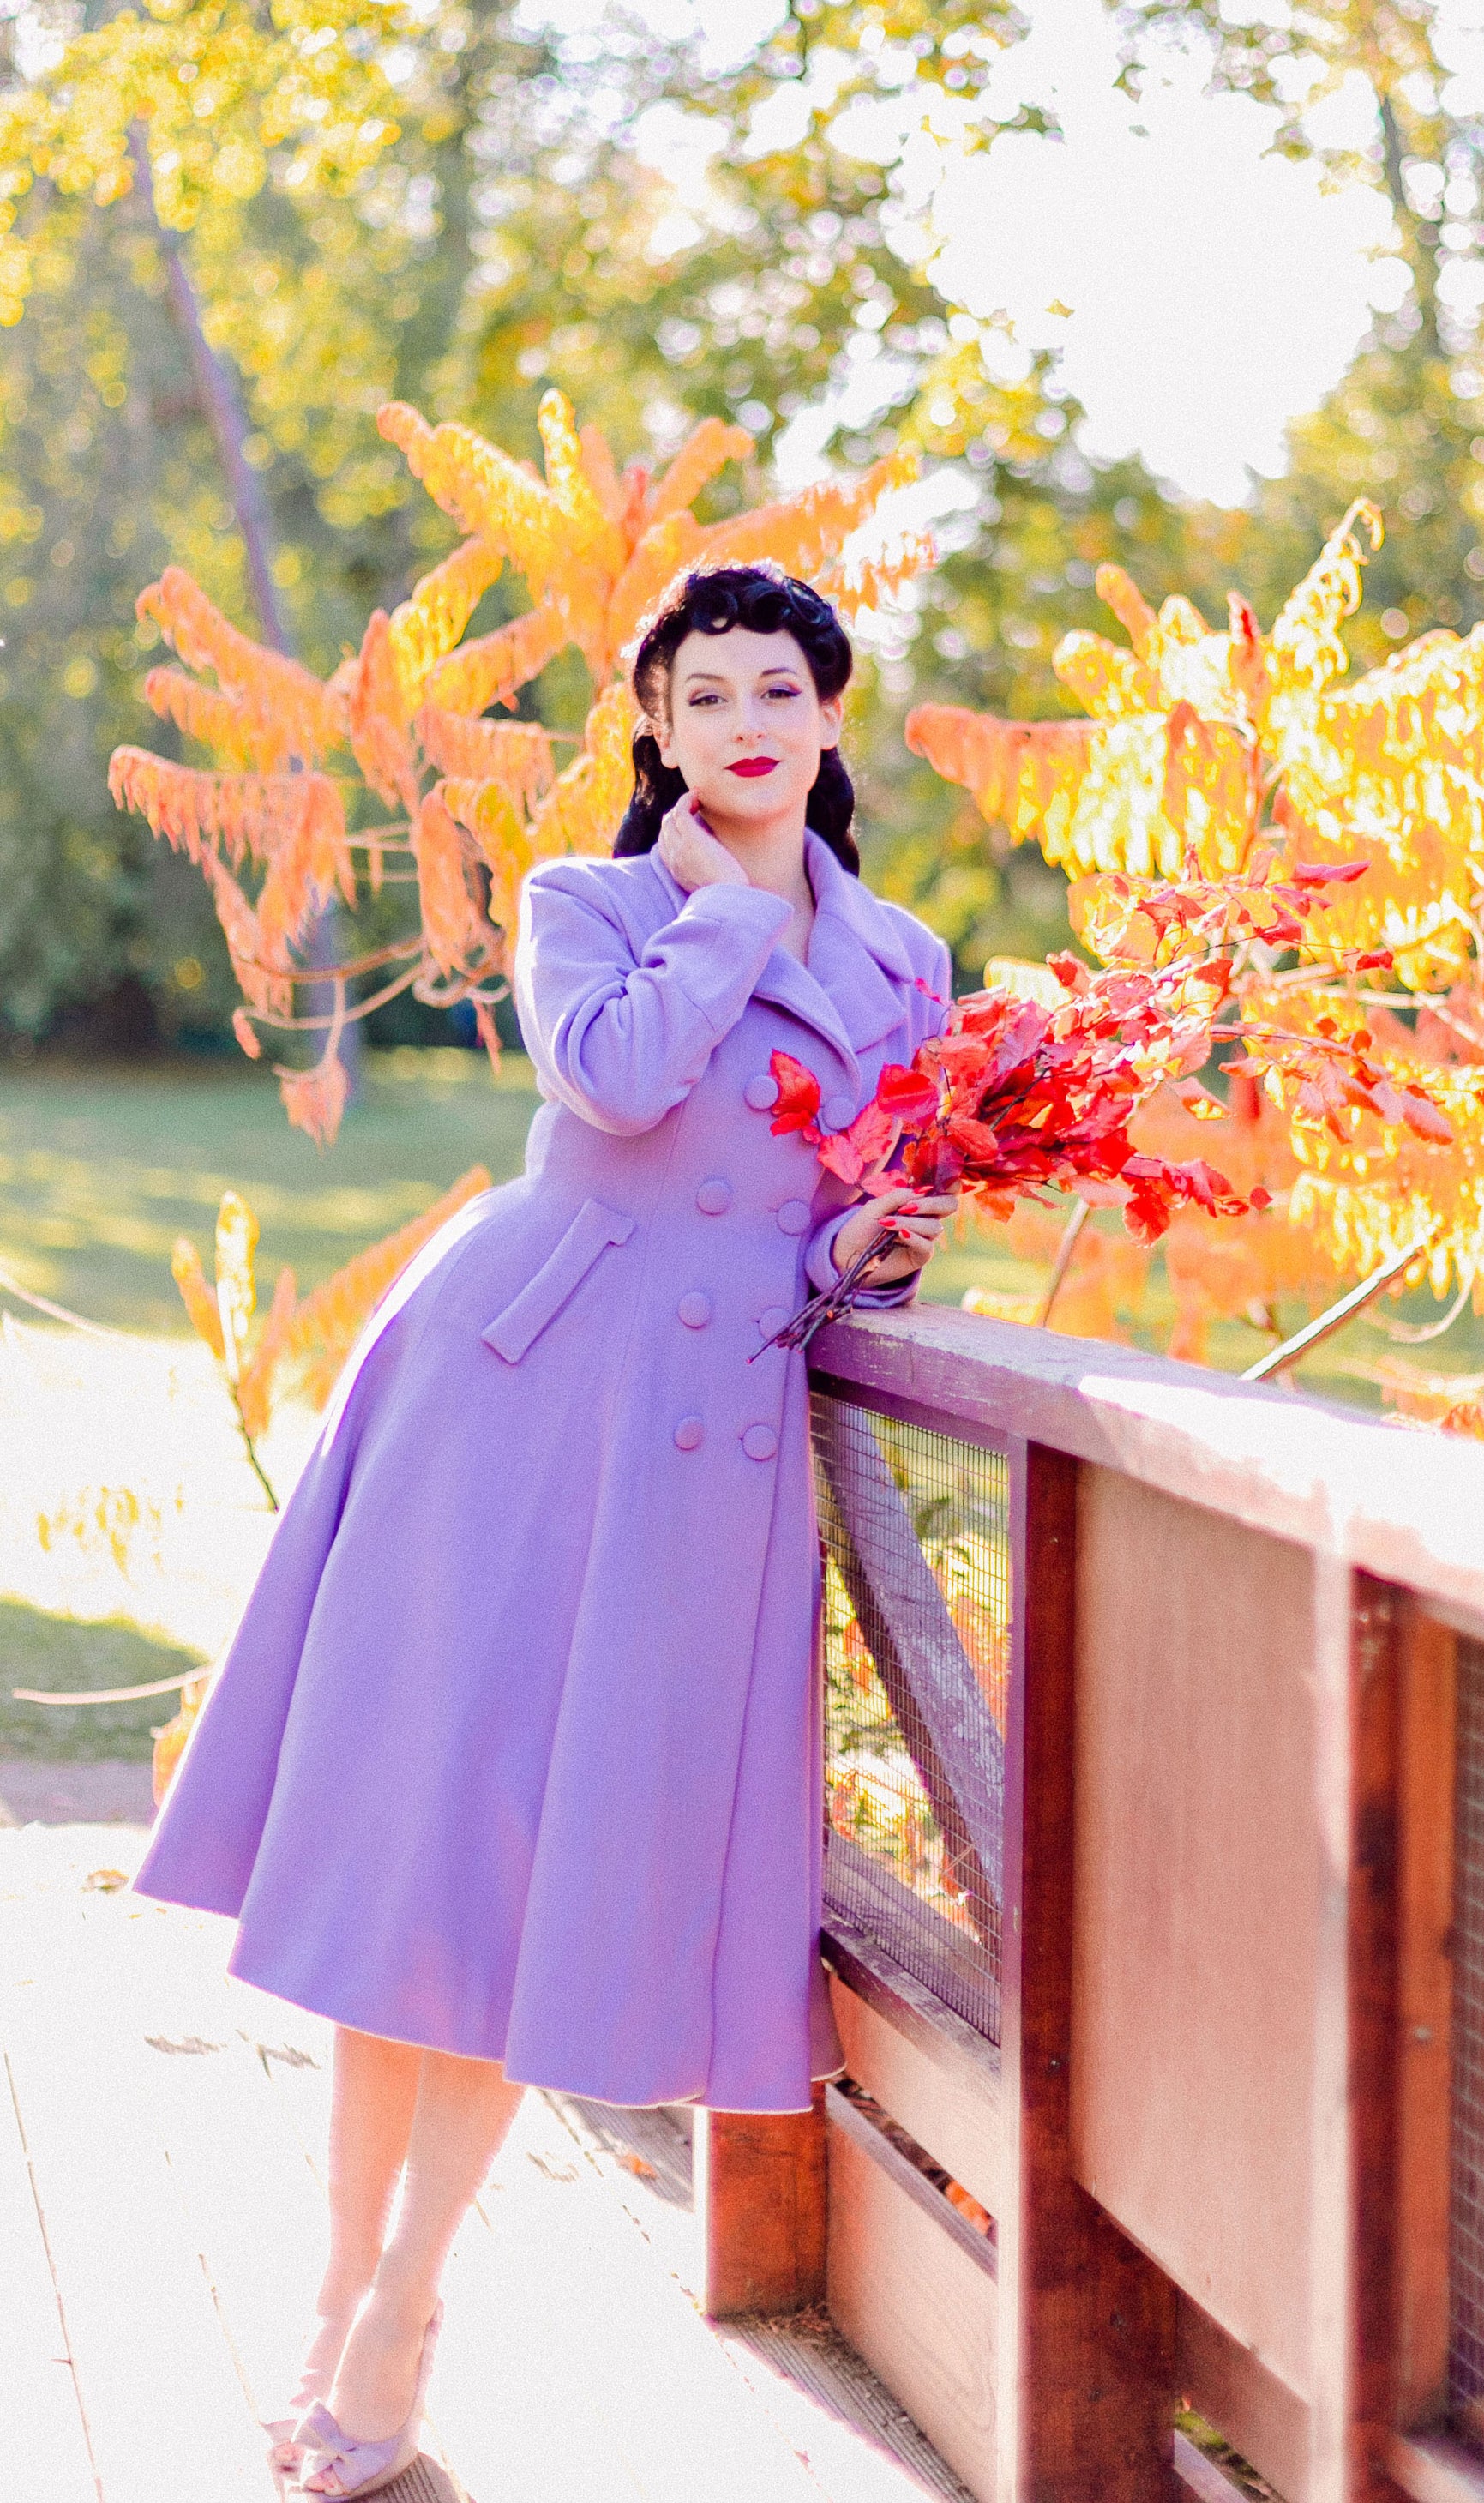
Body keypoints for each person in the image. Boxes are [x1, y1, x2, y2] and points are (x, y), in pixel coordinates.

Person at [132, 563, 958, 2498]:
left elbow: (834, 1229)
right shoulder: (592, 900)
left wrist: (867, 1246)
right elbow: (614, 1083)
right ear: (655, 730)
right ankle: (340, 2293)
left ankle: (402, 2305)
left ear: (829, 717)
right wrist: (729, 908)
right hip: (510, 1403)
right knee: (424, 1863)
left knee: (536, 1875)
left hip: (700, 1460)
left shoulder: (908, 960)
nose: (745, 721)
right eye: (703, 694)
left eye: (779, 688)